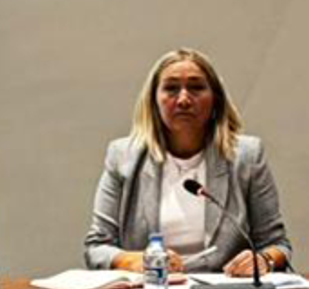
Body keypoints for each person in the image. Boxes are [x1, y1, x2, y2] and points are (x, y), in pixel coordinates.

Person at [84, 48, 293, 276]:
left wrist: (263, 260)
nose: (183, 99)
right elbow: (97, 247)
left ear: (215, 99)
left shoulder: (246, 156)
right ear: (154, 100)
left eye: (196, 88)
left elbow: (277, 244)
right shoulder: (123, 157)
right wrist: (132, 261)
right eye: (171, 88)